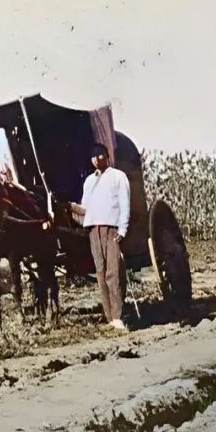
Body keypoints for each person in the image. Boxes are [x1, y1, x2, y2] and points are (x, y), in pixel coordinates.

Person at [80, 142, 131, 331]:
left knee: (113, 272)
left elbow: (125, 204)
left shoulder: (118, 176)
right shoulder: (89, 181)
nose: (96, 159)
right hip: (94, 230)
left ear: (106, 156)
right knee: (101, 273)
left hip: (111, 228)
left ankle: (118, 316)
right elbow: (84, 207)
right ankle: (109, 317)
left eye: (99, 155)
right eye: (93, 156)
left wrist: (122, 229)